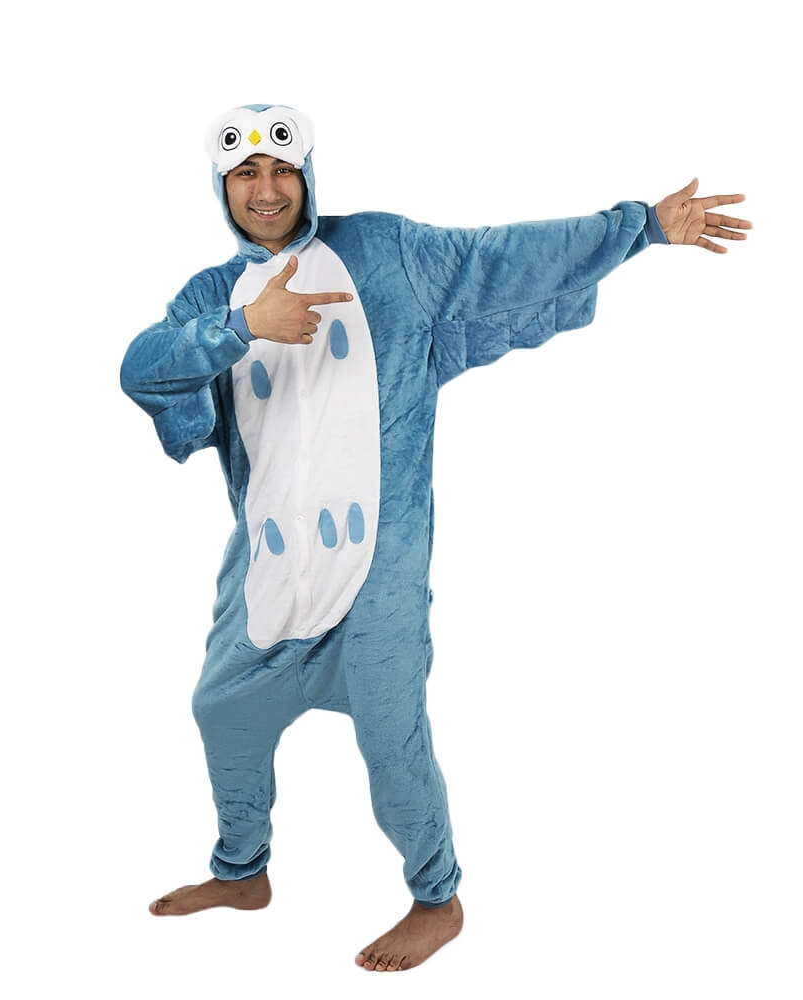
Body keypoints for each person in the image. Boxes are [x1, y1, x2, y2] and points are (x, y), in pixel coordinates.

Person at [119, 103, 750, 972]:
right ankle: (242, 872)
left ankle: (436, 896)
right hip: (268, 570)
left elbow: (498, 259)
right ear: (222, 187)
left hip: (378, 570)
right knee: (221, 711)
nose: (266, 189)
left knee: (392, 736)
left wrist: (637, 227)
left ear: (307, 176)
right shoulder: (209, 294)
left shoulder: (383, 251)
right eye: (246, 174)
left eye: (282, 169)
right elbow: (143, 368)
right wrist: (243, 327)